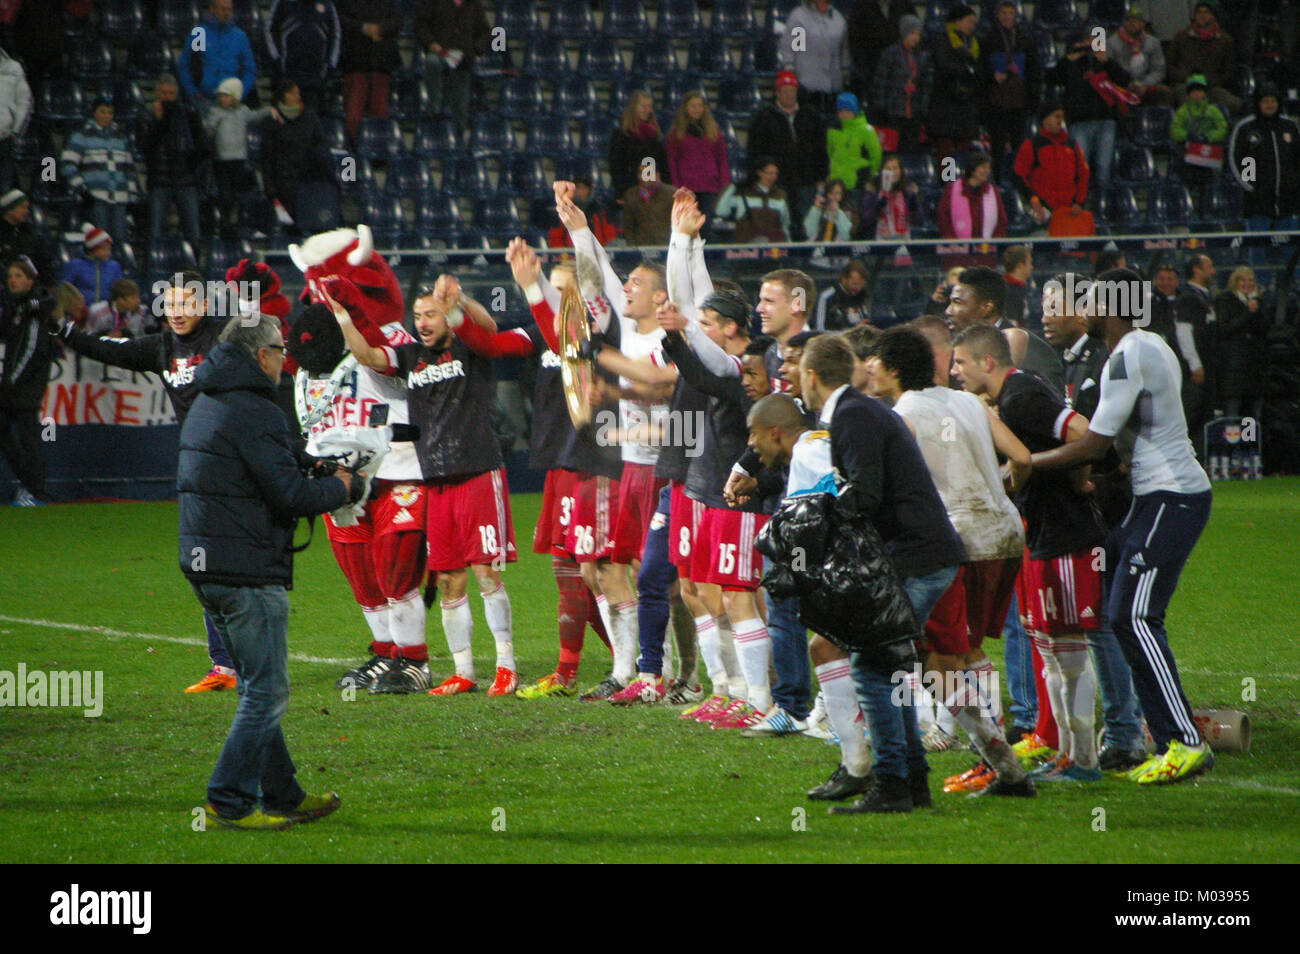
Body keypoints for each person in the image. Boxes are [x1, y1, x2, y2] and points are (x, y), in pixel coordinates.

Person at [1027, 268, 1216, 786]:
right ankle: (1163, 734)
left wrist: (1027, 461)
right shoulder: (1146, 345)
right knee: (1119, 613)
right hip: (1154, 498)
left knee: (1133, 616)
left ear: (1107, 308)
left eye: (1088, 301)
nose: (1081, 309)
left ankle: (1185, 742)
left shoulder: (1128, 354)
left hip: (1169, 496)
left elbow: (1095, 442)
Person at [182, 311, 353, 831]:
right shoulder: (256, 407)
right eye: (281, 349)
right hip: (244, 568)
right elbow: (290, 496)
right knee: (267, 692)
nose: (287, 358)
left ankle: (282, 794)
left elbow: (267, 469)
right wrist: (346, 488)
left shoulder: (211, 397)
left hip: (207, 563)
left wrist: (310, 463)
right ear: (260, 356)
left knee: (259, 684)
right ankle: (227, 801)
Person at [872, 326, 1032, 791]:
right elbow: (1021, 456)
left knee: (942, 658)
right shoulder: (968, 401)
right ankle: (994, 756)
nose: (869, 369)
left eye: (875, 361)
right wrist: (1001, 490)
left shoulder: (903, 414)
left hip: (956, 541)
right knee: (968, 651)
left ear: (894, 368)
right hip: (1003, 532)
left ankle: (995, 760)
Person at [951, 324, 1108, 784]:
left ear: (986, 362)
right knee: (1053, 651)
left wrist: (1078, 477)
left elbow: (1082, 430)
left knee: (1070, 653)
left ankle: (1084, 761)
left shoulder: (1022, 395)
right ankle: (1066, 753)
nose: (955, 371)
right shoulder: (1012, 398)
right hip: (1041, 535)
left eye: (960, 362)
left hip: (1066, 535)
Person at [506, 247, 615, 699]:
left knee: (599, 573)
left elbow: (567, 343)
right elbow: (500, 343)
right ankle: (575, 672)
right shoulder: (549, 334)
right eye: (551, 287)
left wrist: (533, 287)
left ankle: (643, 665)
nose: (556, 298)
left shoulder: (599, 330)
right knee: (569, 571)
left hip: (594, 463)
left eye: (561, 289)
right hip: (560, 462)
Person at [946, 264, 1066, 396]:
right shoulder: (957, 350)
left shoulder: (1032, 351)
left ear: (986, 307)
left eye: (957, 302)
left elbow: (1051, 407)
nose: (948, 311)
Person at [1046, 33, 1132, 199]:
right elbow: (1051, 79)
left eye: (1093, 42)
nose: (1090, 45)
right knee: (1079, 165)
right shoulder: (1071, 63)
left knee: (1103, 166)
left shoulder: (1104, 62)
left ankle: (1103, 204)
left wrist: (1107, 62)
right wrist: (1067, 60)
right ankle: (1079, 201)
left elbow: (1124, 80)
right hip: (1079, 121)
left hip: (1105, 120)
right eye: (1086, 42)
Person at [748, 71, 828, 239]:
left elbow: (821, 148)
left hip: (807, 180)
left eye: (792, 91)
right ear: (777, 93)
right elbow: (755, 150)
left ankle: (807, 259)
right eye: (784, 91)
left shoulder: (811, 115)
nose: (789, 95)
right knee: (782, 223)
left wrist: (821, 174)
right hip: (779, 182)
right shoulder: (764, 118)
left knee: (808, 223)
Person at [0, 257, 54, 506]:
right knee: (17, 435)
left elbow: (32, 348)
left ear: (30, 279)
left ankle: (35, 491)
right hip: (15, 382)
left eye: (18, 276)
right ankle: (29, 484)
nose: (13, 280)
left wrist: (11, 380)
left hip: (25, 384)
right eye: (11, 276)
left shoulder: (35, 308)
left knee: (28, 437)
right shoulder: (17, 307)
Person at [59, 98, 140, 244]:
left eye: (110, 112)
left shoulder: (121, 136)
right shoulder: (82, 135)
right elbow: (67, 164)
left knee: (120, 241)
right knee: (99, 241)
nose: (106, 116)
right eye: (102, 112)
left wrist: (132, 196)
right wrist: (81, 189)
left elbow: (129, 168)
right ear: (94, 113)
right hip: (96, 197)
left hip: (120, 198)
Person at [205, 78, 277, 240]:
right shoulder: (216, 112)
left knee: (241, 195)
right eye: (221, 96)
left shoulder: (242, 111)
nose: (222, 99)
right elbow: (208, 131)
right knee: (226, 196)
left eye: (226, 96)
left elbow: (254, 117)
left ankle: (241, 224)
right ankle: (225, 225)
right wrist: (211, 125)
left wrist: (268, 111)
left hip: (238, 160)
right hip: (221, 162)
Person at [143, 76, 207, 252]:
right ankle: (154, 265)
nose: (167, 97)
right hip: (159, 180)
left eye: (171, 93)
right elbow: (146, 147)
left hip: (186, 181)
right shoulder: (146, 115)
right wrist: (159, 120)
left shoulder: (189, 114)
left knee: (193, 232)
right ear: (157, 93)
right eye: (163, 92)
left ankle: (194, 270)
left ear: (177, 94)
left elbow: (202, 146)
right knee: (155, 231)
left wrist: (191, 166)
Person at [981, 0, 1040, 183]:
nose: (1007, 17)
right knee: (997, 146)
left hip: (1019, 102)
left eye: (1010, 13)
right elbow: (980, 70)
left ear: (1016, 16)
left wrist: (1033, 99)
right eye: (1004, 13)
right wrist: (992, 76)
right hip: (996, 102)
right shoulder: (988, 39)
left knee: (1020, 146)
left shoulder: (1025, 39)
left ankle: (1020, 183)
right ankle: (996, 182)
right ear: (998, 16)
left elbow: (1034, 71)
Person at [1228, 84, 1300, 230]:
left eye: (1273, 101)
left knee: (1289, 250)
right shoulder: (1246, 128)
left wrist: (1294, 183)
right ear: (1258, 103)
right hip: (1257, 205)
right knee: (1257, 249)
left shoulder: (1290, 126)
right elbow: (1237, 160)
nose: (1270, 105)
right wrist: (1252, 187)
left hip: (1287, 203)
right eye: (1265, 101)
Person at [261, 79, 330, 232]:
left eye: (298, 93)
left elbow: (321, 145)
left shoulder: (310, 117)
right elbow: (266, 156)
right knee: (288, 227)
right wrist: (269, 186)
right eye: (292, 93)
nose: (296, 97)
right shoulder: (271, 120)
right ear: (282, 95)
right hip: (282, 182)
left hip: (307, 181)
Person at [415, 0, 491, 134]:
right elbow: (420, 25)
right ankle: (435, 103)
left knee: (460, 104)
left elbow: (485, 31)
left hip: (463, 57)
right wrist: (430, 42)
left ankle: (459, 139)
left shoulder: (474, 4)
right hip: (440, 51)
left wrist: (475, 50)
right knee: (432, 62)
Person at [1013, 103, 1089, 228]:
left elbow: (1083, 175)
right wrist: (1034, 200)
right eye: (1056, 116)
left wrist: (1079, 202)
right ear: (1045, 120)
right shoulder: (1031, 145)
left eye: (1061, 117)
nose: (1060, 121)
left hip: (1069, 211)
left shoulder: (1072, 144)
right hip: (1043, 212)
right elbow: (1019, 176)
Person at [335, 0, 401, 141]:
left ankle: (379, 150)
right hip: (354, 61)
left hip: (381, 61)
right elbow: (337, 19)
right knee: (353, 112)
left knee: (379, 110)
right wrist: (362, 28)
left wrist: (380, 29)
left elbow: (397, 21)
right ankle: (352, 148)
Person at [665, 91, 729, 233]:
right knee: (687, 229)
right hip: (687, 188)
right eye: (693, 105)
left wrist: (723, 184)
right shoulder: (676, 133)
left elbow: (721, 158)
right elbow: (672, 161)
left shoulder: (713, 131)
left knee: (706, 228)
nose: (697, 109)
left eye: (700, 105)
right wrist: (677, 187)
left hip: (709, 187)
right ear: (685, 108)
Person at [927, 4, 982, 164]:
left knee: (963, 151)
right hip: (946, 107)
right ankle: (949, 184)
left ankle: (961, 184)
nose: (972, 25)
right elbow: (945, 67)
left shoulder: (974, 43)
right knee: (947, 153)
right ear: (957, 22)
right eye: (969, 21)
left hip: (966, 108)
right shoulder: (943, 41)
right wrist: (966, 72)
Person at [178, 0, 257, 109]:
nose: (226, 13)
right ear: (212, 9)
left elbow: (249, 69)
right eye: (223, 9)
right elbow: (184, 65)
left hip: (231, 102)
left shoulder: (239, 37)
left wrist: (240, 93)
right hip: (203, 99)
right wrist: (192, 91)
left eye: (229, 9)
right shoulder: (199, 34)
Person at [265, 0, 341, 114]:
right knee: (285, 124)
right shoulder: (282, 3)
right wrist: (277, 60)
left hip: (315, 79)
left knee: (311, 124)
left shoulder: (327, 4)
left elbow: (335, 35)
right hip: (287, 79)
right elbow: (269, 31)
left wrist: (330, 65)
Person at [1214, 266, 1269, 422]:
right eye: (1243, 280)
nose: (1247, 284)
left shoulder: (1257, 301)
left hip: (1255, 371)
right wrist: (1248, 312)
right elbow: (1226, 329)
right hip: (1233, 371)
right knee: (1232, 417)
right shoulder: (1224, 300)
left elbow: (1265, 328)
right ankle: (1232, 446)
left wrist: (1256, 310)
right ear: (1235, 282)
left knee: (1253, 418)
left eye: (1251, 280)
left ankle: (1250, 445)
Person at [871, 15, 931, 154]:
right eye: (912, 33)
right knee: (893, 151)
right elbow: (880, 81)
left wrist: (923, 106)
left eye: (918, 34)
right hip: (894, 112)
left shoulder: (922, 56)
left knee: (911, 149)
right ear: (904, 33)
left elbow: (926, 83)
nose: (915, 37)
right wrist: (882, 107)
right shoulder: (890, 53)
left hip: (914, 113)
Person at [1168, 0, 1239, 115]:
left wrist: (1211, 81)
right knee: (1189, 105)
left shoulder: (1225, 40)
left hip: (1212, 86)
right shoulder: (1181, 36)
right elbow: (1170, 65)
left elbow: (1229, 71)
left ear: (1213, 16)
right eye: (1199, 12)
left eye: (1206, 12)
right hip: (1185, 85)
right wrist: (1187, 78)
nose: (1202, 15)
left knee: (1233, 103)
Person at [781, 0, 850, 118]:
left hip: (833, 91)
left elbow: (843, 54)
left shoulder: (838, 19)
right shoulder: (800, 18)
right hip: (807, 90)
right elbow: (792, 53)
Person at [937, 152, 1006, 268]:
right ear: (973, 168)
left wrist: (994, 241)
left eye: (988, 168)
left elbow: (1001, 220)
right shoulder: (952, 189)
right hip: (957, 255)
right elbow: (943, 218)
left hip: (985, 255)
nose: (987, 171)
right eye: (983, 167)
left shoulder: (993, 192)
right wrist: (953, 242)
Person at [1177, 252, 1216, 454]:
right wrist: (1195, 364)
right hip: (1195, 370)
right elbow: (1183, 332)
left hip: (1206, 365)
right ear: (1196, 270)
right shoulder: (1188, 297)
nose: (1213, 271)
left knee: (1203, 416)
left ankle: (1200, 460)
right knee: (1192, 415)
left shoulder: (1202, 296)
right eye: (1209, 266)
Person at [609, 90, 670, 206]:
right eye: (643, 106)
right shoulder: (622, 134)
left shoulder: (655, 134)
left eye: (649, 106)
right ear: (634, 107)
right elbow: (616, 166)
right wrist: (621, 192)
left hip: (653, 188)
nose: (647, 110)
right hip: (630, 188)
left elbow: (663, 164)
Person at [1171, 74, 1228, 191]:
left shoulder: (1212, 111)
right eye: (1194, 91)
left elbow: (1222, 127)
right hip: (1188, 151)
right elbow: (1174, 130)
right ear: (1189, 94)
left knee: (1208, 177)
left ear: (1204, 93)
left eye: (1200, 91)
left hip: (1208, 150)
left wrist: (1210, 137)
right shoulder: (1182, 111)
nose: (1197, 94)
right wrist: (1186, 135)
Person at [848, 0, 912, 103]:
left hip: (900, 80)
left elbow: (913, 38)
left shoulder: (904, 5)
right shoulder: (861, 7)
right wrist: (866, 74)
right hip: (872, 79)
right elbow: (855, 44)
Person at [1110, 6, 1173, 107]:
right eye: (1128, 20)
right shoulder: (1112, 43)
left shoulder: (1153, 42)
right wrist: (1126, 84)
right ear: (1123, 23)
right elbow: (1110, 69)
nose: (1132, 24)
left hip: (1146, 84)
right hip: (1122, 85)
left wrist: (1146, 84)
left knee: (1164, 92)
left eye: (1135, 21)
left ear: (1143, 24)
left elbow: (1159, 70)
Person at [716, 158, 791, 243]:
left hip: (774, 248)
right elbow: (721, 211)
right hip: (745, 248)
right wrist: (733, 185)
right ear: (760, 173)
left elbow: (785, 224)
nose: (773, 177)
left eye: (775, 174)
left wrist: (788, 244)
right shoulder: (742, 193)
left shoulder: (780, 195)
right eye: (769, 173)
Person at [826, 92, 880, 198]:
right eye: (841, 111)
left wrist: (866, 176)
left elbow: (876, 156)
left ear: (854, 111)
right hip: (836, 185)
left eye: (847, 111)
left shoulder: (866, 131)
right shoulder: (832, 130)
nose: (844, 115)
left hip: (857, 185)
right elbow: (830, 152)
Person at [857, 153, 919, 243]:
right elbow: (866, 219)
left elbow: (918, 220)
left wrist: (914, 200)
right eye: (888, 169)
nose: (892, 172)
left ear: (900, 171)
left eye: (895, 168)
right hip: (880, 242)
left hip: (903, 241)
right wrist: (879, 206)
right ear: (882, 172)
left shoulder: (908, 191)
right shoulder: (873, 190)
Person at [59, 224, 123, 310]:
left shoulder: (114, 266)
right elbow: (64, 289)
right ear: (93, 249)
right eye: (104, 249)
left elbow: (119, 290)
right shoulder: (75, 265)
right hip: (81, 310)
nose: (108, 252)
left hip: (105, 312)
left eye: (109, 249)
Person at [0, 190, 51, 280]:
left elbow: (43, 263)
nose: (26, 212)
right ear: (9, 210)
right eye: (22, 207)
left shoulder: (28, 232)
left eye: (27, 208)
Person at [0, 45, 31, 194]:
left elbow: (24, 102)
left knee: (4, 191)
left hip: (4, 140)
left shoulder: (14, 68)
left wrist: (16, 130)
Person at [83, 278, 152, 338]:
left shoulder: (141, 312)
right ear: (120, 300)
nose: (138, 301)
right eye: (133, 298)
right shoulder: (97, 312)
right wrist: (104, 335)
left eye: (138, 297)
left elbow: (140, 338)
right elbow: (88, 337)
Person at [620, 171, 674, 247]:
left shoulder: (672, 194)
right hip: (640, 246)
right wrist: (632, 246)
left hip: (667, 246)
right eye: (641, 173)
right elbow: (628, 226)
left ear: (657, 175)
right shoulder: (630, 195)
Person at [814, 259, 869, 331]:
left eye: (861, 285)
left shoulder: (861, 295)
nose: (858, 289)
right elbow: (820, 331)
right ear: (844, 279)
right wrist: (853, 331)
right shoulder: (827, 297)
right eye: (855, 284)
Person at [1001, 243, 1033, 329]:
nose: (1031, 267)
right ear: (1020, 265)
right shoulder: (1008, 290)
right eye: (1029, 263)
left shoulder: (1022, 288)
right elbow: (1012, 322)